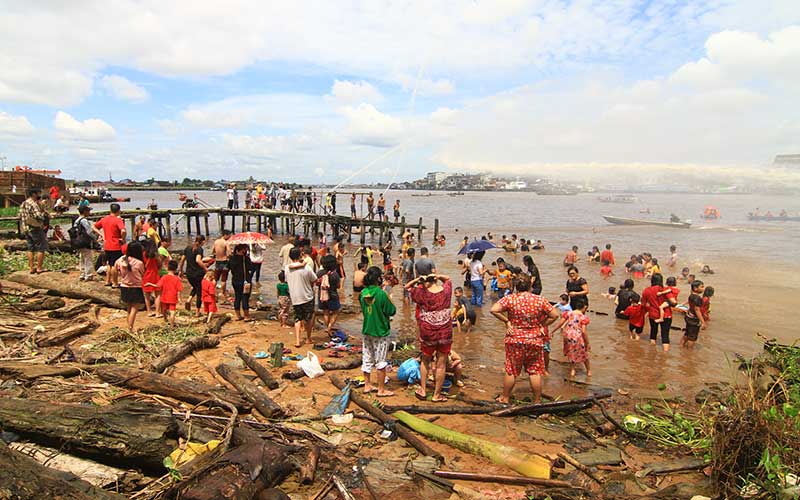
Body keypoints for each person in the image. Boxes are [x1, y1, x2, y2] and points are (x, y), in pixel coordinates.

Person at [491, 275, 559, 404]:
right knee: (535, 371)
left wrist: (507, 321)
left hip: (515, 339)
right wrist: (542, 324)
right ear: (530, 286)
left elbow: (494, 309)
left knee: (512, 370)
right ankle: (537, 401)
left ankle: (505, 398)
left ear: (516, 286)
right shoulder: (539, 300)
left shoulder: (511, 299)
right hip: (534, 339)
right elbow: (555, 315)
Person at [406, 273, 453, 403]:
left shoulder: (422, 293)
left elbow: (407, 287)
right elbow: (448, 279)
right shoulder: (446, 291)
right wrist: (437, 275)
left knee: (425, 360)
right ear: (435, 280)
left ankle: (423, 389)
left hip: (428, 332)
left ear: (426, 282)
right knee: (441, 364)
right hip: (445, 331)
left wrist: (418, 279)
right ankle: (436, 395)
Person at [360, 266, 397, 397]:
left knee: (367, 358)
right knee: (381, 360)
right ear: (378, 279)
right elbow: (391, 310)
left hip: (367, 329)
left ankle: (367, 385)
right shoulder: (381, 294)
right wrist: (388, 294)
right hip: (380, 331)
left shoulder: (363, 292)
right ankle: (381, 389)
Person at [286, 247, 318, 347]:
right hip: (307, 296)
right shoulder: (307, 267)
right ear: (300, 255)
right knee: (308, 319)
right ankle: (308, 338)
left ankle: (297, 341)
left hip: (295, 297)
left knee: (297, 319)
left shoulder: (287, 268)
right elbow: (314, 279)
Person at [553, 302, 591, 378]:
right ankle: (588, 371)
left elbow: (560, 323)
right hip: (577, 336)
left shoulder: (568, 313)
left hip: (567, 335)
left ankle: (572, 370)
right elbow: (583, 331)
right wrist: (588, 343)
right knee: (585, 353)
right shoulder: (583, 317)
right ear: (585, 307)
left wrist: (553, 331)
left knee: (571, 352)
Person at [93, 203, 126, 287]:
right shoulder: (118, 220)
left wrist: (101, 234)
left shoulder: (104, 219)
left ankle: (107, 281)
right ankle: (115, 282)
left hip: (107, 245)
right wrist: (123, 239)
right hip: (116, 245)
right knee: (115, 264)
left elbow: (94, 226)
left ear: (110, 210)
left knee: (109, 264)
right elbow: (123, 231)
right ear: (118, 211)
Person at [116, 241, 145, 332]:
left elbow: (116, 268)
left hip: (124, 286)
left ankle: (129, 326)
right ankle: (130, 328)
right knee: (134, 308)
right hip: (135, 287)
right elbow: (143, 273)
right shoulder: (139, 263)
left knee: (129, 308)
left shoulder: (121, 260)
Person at [19, 188, 49, 274]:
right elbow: (38, 216)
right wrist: (45, 216)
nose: (39, 195)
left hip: (26, 228)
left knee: (30, 248)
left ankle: (31, 268)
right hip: (35, 228)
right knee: (41, 247)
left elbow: (20, 215)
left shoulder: (24, 203)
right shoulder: (33, 204)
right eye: (38, 193)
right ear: (34, 194)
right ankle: (39, 268)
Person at [180, 235, 208, 316]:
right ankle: (197, 312)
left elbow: (182, 260)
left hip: (189, 273)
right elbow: (198, 260)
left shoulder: (188, 248)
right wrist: (205, 268)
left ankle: (189, 299)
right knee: (199, 292)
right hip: (197, 273)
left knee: (195, 287)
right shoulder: (199, 249)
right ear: (202, 241)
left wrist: (181, 270)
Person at [642, 274, 670, 351]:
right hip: (666, 314)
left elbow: (643, 304)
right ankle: (665, 353)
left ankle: (652, 352)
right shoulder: (665, 290)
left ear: (652, 280)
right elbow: (672, 301)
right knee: (665, 335)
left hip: (653, 314)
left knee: (653, 332)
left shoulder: (647, 290)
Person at [151, 260, 182, 327]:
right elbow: (179, 290)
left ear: (167, 267)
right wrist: (179, 298)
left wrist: (150, 284)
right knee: (172, 311)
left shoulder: (164, 277)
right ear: (176, 268)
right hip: (173, 297)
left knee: (164, 310)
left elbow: (158, 285)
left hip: (164, 297)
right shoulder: (177, 279)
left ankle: (165, 319)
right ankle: (171, 325)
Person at [227, 244, 253, 322]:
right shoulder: (246, 259)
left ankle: (238, 315)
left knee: (237, 297)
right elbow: (250, 268)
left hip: (235, 280)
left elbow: (229, 268)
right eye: (245, 249)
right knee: (245, 298)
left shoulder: (232, 259)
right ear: (242, 250)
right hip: (245, 281)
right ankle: (246, 316)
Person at [317, 254, 342, 334]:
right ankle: (329, 327)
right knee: (336, 311)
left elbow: (316, 283)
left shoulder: (319, 273)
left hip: (322, 295)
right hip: (333, 295)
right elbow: (338, 286)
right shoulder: (335, 274)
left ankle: (327, 326)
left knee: (325, 311)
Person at [75, 205, 97, 281]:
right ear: (84, 211)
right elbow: (89, 232)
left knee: (82, 258)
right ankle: (88, 275)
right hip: (85, 241)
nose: (89, 212)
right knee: (88, 258)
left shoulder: (77, 220)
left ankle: (82, 274)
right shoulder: (84, 220)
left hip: (78, 241)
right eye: (88, 211)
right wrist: (95, 238)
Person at [682, 280, 706, 349]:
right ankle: (689, 352)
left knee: (687, 333)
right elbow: (697, 310)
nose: (703, 288)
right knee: (692, 337)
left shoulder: (691, 296)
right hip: (694, 320)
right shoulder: (698, 298)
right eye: (701, 287)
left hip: (689, 317)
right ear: (695, 288)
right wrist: (703, 322)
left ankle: (681, 346)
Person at [141, 239, 161, 317]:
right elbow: (159, 264)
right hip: (155, 274)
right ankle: (157, 312)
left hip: (146, 275)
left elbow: (142, 265)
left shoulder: (143, 254)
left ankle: (149, 311)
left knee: (147, 296)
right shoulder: (155, 255)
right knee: (158, 294)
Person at [212, 231, 231, 295]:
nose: (229, 237)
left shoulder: (216, 242)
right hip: (224, 261)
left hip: (218, 261)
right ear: (225, 235)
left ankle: (212, 290)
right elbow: (229, 253)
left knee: (215, 278)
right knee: (223, 279)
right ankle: (223, 292)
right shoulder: (226, 242)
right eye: (229, 235)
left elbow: (213, 251)